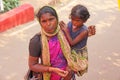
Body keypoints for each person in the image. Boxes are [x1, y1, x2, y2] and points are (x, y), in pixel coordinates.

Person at [28, 6, 95, 80]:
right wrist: (51, 69)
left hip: (69, 75)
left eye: (51, 19)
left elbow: (77, 38)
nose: (48, 24)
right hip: (49, 76)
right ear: (40, 23)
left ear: (57, 19)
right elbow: (33, 65)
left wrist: (89, 32)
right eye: (44, 21)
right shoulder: (36, 41)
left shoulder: (64, 32)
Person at [59, 4, 95, 76]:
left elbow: (72, 43)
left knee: (70, 70)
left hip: (77, 54)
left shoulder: (84, 31)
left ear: (84, 20)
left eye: (78, 20)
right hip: (69, 50)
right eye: (72, 19)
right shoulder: (70, 24)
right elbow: (64, 34)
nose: (74, 22)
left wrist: (66, 31)